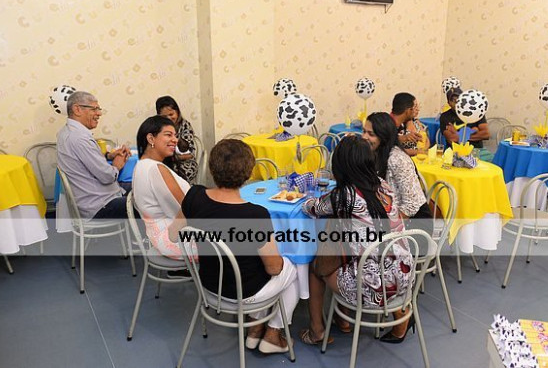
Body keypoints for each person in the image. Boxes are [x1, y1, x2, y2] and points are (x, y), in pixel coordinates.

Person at [176, 139, 299, 354]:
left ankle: (254, 330)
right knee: (292, 269)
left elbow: (173, 233)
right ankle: (273, 334)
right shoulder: (255, 214)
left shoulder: (194, 195)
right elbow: (273, 269)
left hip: (209, 285)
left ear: (212, 168)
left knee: (260, 269)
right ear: (249, 173)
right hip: (244, 294)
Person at [300, 136, 415, 345]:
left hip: (373, 288)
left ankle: (317, 331)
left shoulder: (344, 196)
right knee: (345, 248)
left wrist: (304, 197)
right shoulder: (383, 185)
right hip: (404, 275)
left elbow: (312, 208)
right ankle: (354, 319)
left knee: (316, 268)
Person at [57, 91, 131, 220]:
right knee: (150, 200)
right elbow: (108, 177)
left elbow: (84, 159)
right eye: (94, 109)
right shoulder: (80, 138)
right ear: (77, 109)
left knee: (143, 187)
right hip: (100, 205)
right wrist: (117, 165)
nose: (99, 113)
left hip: (91, 199)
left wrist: (109, 156)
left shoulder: (65, 132)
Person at [132, 116, 190, 260]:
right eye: (168, 135)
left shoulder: (142, 164)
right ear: (151, 139)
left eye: (175, 135)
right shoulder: (156, 169)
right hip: (176, 240)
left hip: (160, 236)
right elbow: (183, 211)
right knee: (236, 237)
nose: (175, 140)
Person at [363, 112, 432, 220]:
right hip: (391, 214)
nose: (364, 137)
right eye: (364, 132)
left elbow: (411, 206)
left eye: (371, 134)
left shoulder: (397, 159)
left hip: (414, 221)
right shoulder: (375, 154)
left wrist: (390, 225)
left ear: (383, 137)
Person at [155, 96, 198, 183]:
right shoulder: (156, 127)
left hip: (184, 163)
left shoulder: (184, 125)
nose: (169, 118)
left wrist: (173, 157)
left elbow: (190, 154)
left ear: (177, 112)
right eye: (164, 116)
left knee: (173, 175)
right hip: (163, 162)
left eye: (171, 114)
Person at [440, 87, 490, 151]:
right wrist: (475, 132)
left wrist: (459, 135)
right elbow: (452, 139)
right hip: (455, 150)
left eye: (459, 99)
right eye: (453, 100)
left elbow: (486, 134)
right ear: (448, 103)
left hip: (476, 150)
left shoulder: (476, 111)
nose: (456, 102)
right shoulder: (445, 116)